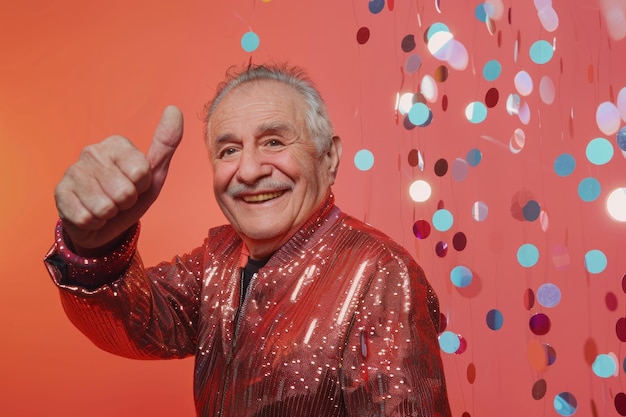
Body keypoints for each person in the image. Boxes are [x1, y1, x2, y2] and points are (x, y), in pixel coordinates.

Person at [44, 63, 451, 417]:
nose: (250, 170)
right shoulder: (216, 258)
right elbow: (139, 326)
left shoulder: (379, 275)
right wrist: (93, 246)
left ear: (329, 158)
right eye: (228, 150)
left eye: (274, 141)